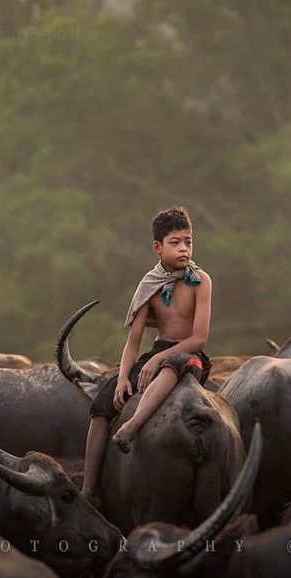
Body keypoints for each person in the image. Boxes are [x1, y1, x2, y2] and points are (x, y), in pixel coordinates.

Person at [81, 206, 213, 504]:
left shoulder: (201, 281)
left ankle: (132, 426)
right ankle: (89, 487)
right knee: (101, 404)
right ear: (157, 247)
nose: (183, 248)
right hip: (158, 348)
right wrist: (121, 380)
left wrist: (158, 359)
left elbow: (199, 338)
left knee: (170, 366)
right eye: (175, 242)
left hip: (189, 354)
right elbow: (133, 342)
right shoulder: (149, 286)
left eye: (188, 241)